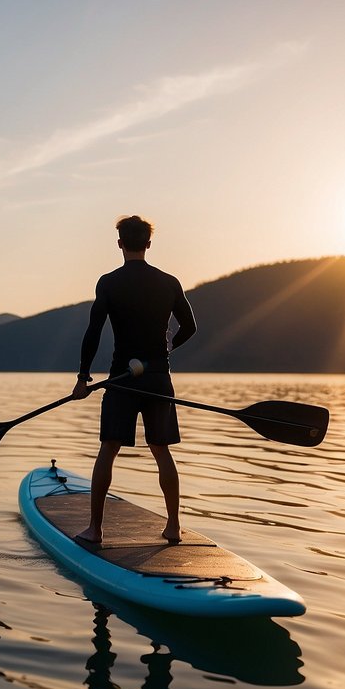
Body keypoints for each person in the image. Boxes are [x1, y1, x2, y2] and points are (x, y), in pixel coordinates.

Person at [70, 215, 197, 544]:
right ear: (149, 244)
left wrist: (83, 377)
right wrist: (170, 345)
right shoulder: (169, 282)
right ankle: (173, 526)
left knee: (108, 449)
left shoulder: (108, 283)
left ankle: (95, 529)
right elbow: (190, 327)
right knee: (161, 449)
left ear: (120, 243)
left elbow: (93, 332)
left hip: (122, 379)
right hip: (158, 377)